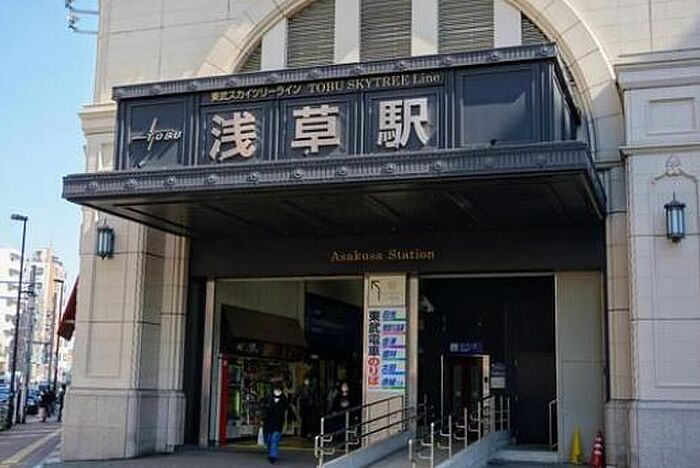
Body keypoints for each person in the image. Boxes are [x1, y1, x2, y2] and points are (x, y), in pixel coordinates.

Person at [263, 384, 294, 464]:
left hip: (278, 422)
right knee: (268, 439)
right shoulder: (269, 397)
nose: (277, 392)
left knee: (274, 438)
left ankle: (273, 456)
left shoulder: (284, 399)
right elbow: (263, 408)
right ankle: (271, 452)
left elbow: (289, 409)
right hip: (268, 422)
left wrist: (292, 418)